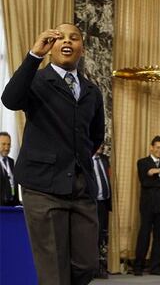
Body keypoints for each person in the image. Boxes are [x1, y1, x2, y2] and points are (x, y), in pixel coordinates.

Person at [1, 23, 105, 285]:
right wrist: (34, 55)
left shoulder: (92, 91)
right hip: (43, 186)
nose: (67, 41)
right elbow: (10, 100)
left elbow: (96, 137)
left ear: (82, 47)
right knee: (53, 269)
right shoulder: (35, 80)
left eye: (74, 37)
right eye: (60, 37)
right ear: (51, 46)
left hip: (81, 187)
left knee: (87, 264)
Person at [134, 135, 160, 276]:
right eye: (157, 147)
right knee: (144, 235)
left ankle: (155, 267)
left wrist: (159, 173)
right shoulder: (142, 162)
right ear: (151, 147)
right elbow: (145, 182)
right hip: (147, 206)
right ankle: (138, 266)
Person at [92, 144, 112, 279]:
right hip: (90, 203)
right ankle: (90, 269)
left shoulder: (104, 159)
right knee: (91, 236)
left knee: (102, 236)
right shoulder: (85, 159)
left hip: (104, 202)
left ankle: (100, 267)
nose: (101, 146)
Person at [0, 132, 19, 206]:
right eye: (3, 144)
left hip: (11, 205)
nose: (7, 148)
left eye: (8, 144)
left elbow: (14, 182)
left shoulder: (11, 162)